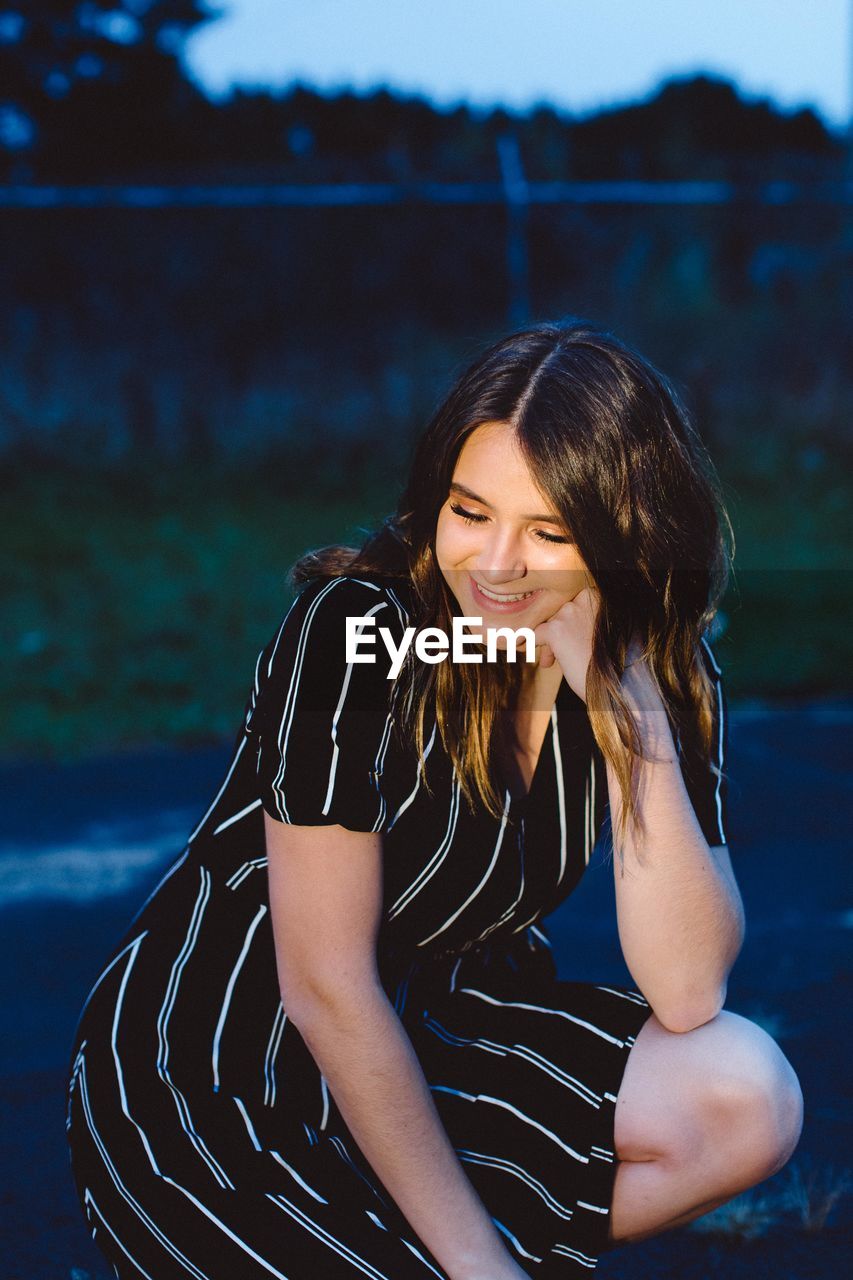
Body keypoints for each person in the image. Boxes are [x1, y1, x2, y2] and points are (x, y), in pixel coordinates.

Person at [65, 321, 803, 1280]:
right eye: (469, 511)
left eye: (549, 533)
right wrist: (478, 1267)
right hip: (220, 1072)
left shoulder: (663, 671)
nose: (496, 567)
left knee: (744, 1094)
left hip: (438, 1041)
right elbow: (325, 988)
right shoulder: (356, 637)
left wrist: (634, 721)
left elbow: (688, 989)